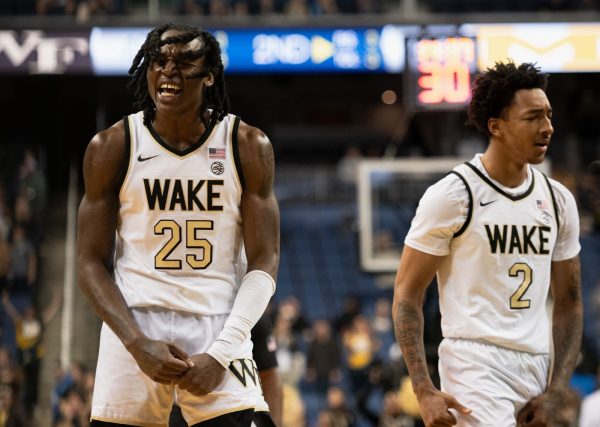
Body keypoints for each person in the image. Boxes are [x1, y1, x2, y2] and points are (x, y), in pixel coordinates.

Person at [77, 23, 280, 426]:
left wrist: (223, 352)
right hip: (134, 323)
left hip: (218, 323)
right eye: (160, 61)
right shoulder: (113, 146)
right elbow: (88, 263)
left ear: (209, 77)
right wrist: (136, 343)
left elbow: (265, 261)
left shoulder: (246, 145)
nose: (169, 70)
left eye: (185, 62)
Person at [392, 61, 582, 427]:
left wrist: (557, 391)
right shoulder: (454, 194)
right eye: (533, 118)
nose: (548, 128)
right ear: (496, 126)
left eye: (549, 115)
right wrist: (423, 389)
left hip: (537, 361)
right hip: (473, 361)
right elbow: (406, 294)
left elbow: (570, 303)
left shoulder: (558, 200)